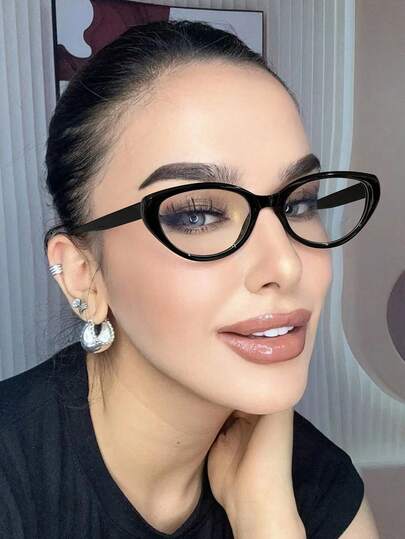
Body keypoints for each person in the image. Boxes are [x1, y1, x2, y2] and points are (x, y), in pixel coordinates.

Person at [0, 20, 380, 539]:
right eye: (198, 214)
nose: (286, 265)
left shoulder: (315, 485)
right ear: (82, 274)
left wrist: (266, 519)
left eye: (298, 203)